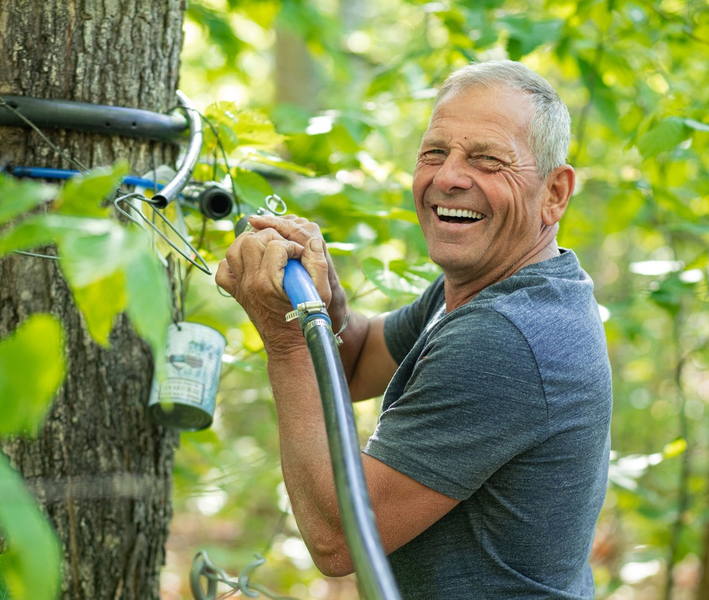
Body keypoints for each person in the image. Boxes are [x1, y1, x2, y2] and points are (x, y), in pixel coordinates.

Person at [216, 60, 612, 599]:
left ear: (555, 193)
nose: (448, 177)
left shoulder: (504, 336)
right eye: (434, 153)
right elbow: (355, 364)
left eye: (488, 160)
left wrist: (286, 337)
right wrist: (326, 300)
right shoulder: (489, 287)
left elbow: (340, 537)